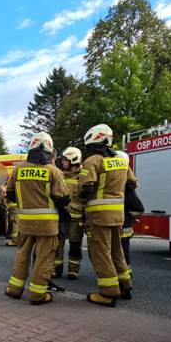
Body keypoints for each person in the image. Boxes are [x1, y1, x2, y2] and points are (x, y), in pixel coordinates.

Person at [4, 133, 69, 305]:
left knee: (22, 254)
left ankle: (15, 289)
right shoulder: (53, 171)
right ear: (49, 149)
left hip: (25, 222)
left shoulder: (18, 169)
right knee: (44, 258)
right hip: (47, 225)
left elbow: (10, 194)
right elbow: (63, 199)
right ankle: (38, 294)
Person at [78, 124, 133, 307]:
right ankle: (125, 285)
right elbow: (132, 184)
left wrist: (78, 204)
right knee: (117, 251)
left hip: (99, 216)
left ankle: (108, 293)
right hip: (118, 216)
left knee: (101, 253)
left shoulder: (93, 161)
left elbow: (85, 188)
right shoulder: (121, 160)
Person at [56, 147, 85, 279]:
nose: (62, 162)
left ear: (73, 160)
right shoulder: (60, 175)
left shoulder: (83, 176)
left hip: (76, 217)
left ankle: (73, 270)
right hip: (62, 216)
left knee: (75, 245)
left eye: (65, 160)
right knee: (58, 244)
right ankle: (56, 268)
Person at [116, 150, 144, 267]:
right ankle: (124, 276)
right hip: (124, 228)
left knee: (119, 255)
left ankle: (122, 276)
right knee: (122, 255)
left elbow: (138, 208)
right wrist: (130, 217)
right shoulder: (127, 186)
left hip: (119, 228)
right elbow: (137, 209)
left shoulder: (126, 187)